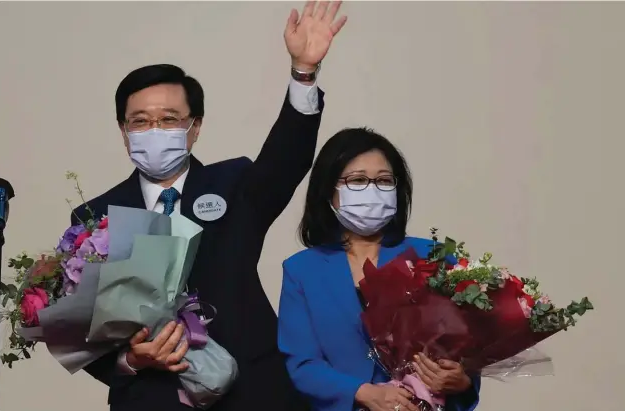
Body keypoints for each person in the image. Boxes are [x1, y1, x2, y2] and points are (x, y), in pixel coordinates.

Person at [70, 2, 347, 411]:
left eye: (169, 119)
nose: (154, 130)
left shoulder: (233, 184)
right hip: (153, 398)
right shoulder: (96, 217)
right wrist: (130, 359)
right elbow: (84, 331)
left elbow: (286, 160)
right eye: (140, 122)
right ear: (124, 132)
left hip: (253, 391)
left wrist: (303, 73)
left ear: (194, 126)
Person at [277, 127, 481, 411]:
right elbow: (302, 363)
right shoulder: (301, 270)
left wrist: (462, 380)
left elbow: (466, 348)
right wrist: (362, 393)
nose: (372, 190)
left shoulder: (434, 256)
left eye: (384, 181)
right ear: (328, 191)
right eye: (357, 180)